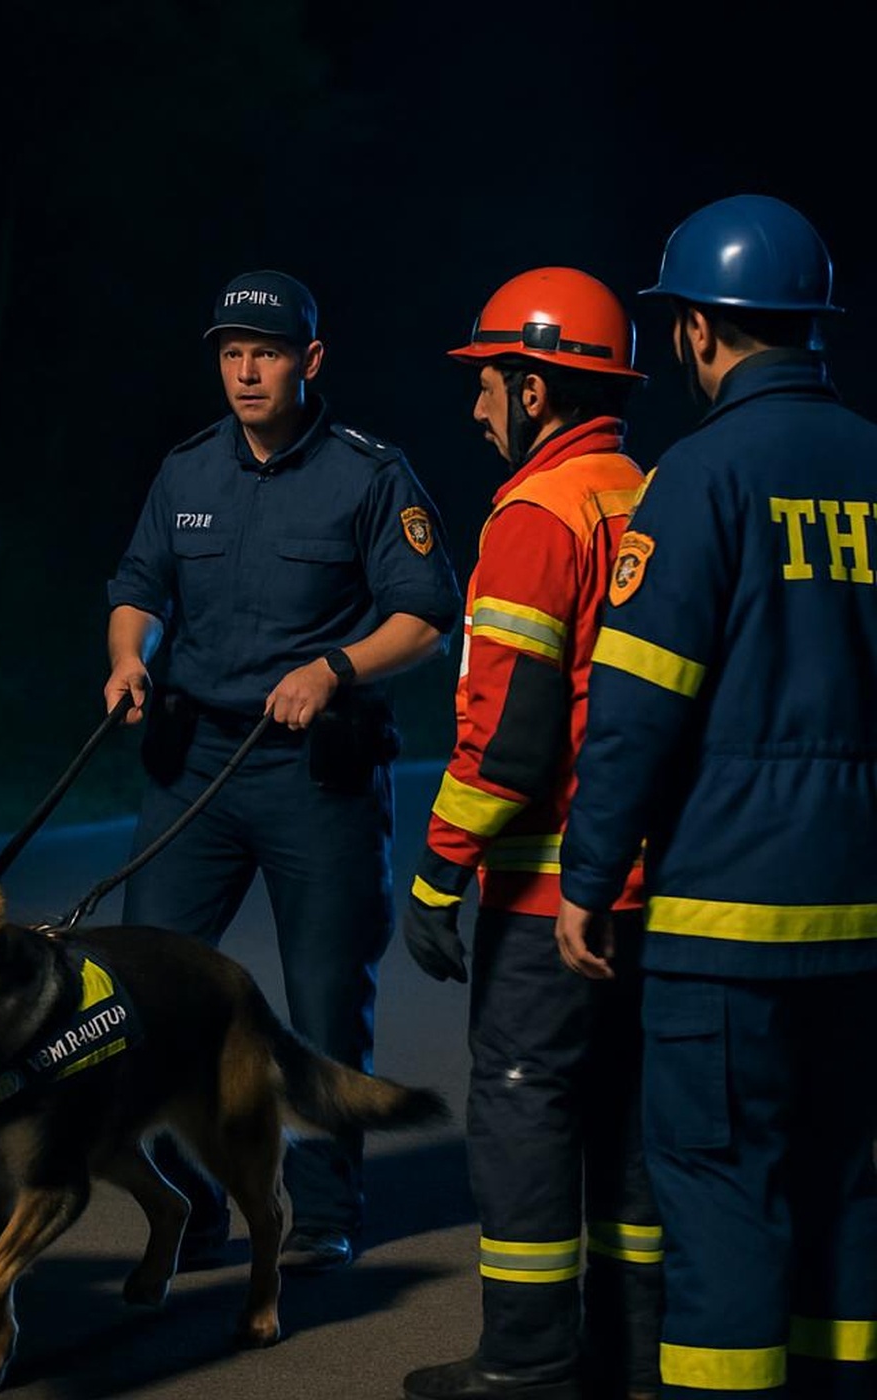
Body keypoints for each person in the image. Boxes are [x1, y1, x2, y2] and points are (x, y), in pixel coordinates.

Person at [556, 193, 877, 1400]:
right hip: (860, 916)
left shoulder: (693, 477)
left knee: (720, 1187)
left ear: (694, 330)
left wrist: (588, 878)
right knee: (843, 1180)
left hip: (722, 921)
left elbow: (636, 706)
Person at [104, 268, 461, 1272]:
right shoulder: (185, 471)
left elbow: (426, 613)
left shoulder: (368, 473)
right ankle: (195, 1203)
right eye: (229, 352)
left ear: (308, 360)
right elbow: (137, 583)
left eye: (263, 352)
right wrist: (127, 653)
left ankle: (325, 1214)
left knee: (320, 997)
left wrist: (333, 666)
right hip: (196, 764)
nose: (244, 369)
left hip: (317, 772)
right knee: (152, 986)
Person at [400, 269, 662, 1400]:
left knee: (520, 1104)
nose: (474, 409)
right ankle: (633, 1354)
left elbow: (504, 740)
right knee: (626, 1119)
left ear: (536, 386)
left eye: (487, 383)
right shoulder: (642, 494)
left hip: (543, 886)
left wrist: (433, 875)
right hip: (646, 881)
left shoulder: (534, 515)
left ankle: (524, 1358)